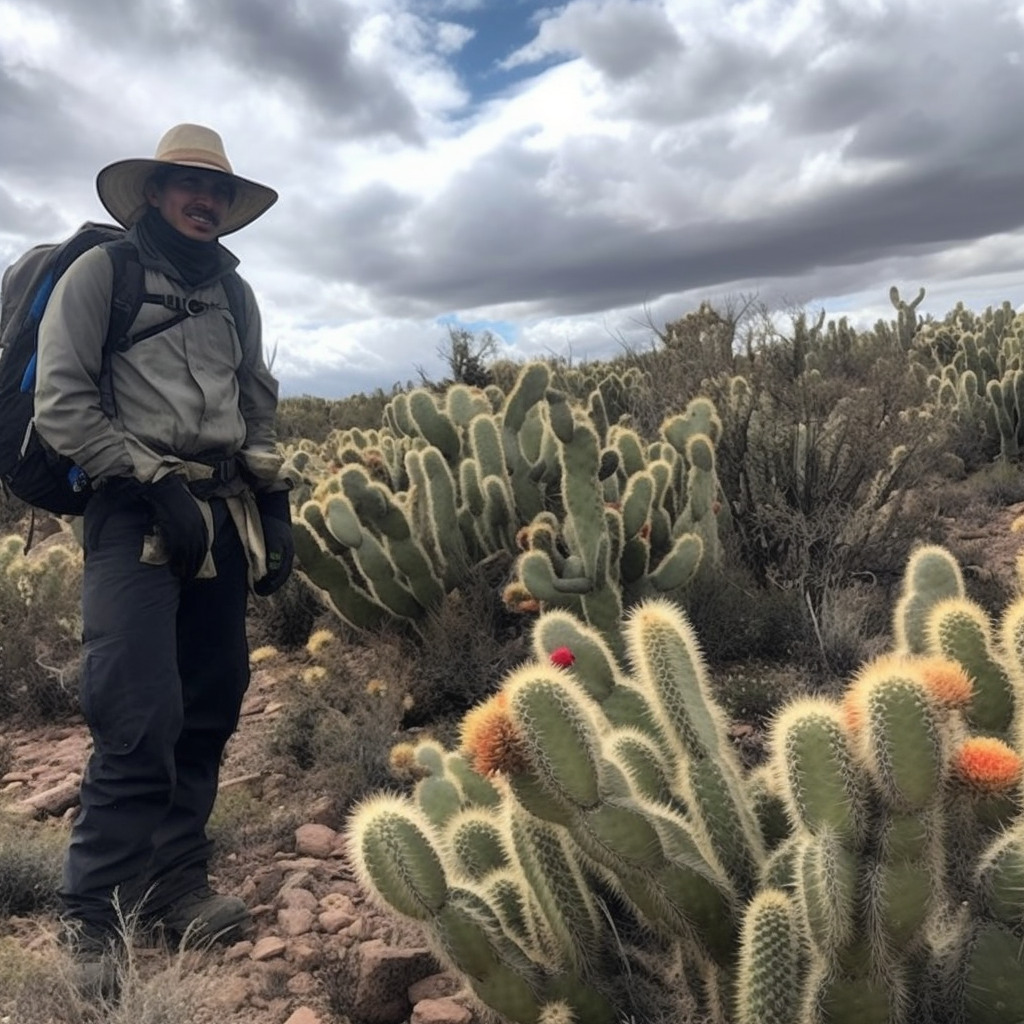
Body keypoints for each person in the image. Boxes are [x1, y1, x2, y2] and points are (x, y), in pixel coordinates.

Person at [34, 123, 294, 991]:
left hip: (218, 515)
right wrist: (150, 481)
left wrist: (271, 496)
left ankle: (174, 882)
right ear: (153, 192)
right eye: (188, 184)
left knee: (213, 704)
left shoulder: (234, 293)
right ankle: (92, 915)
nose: (205, 200)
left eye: (218, 190)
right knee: (136, 714)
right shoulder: (98, 278)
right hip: (131, 516)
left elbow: (254, 402)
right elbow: (62, 408)